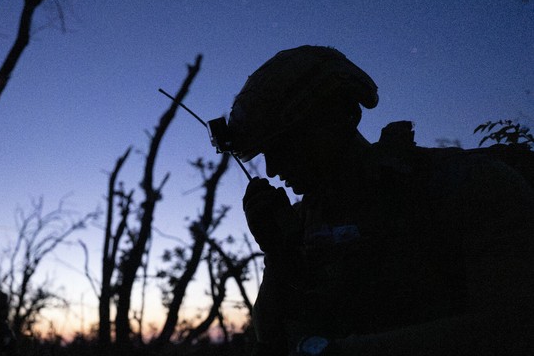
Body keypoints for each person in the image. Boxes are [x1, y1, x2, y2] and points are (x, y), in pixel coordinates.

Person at [228, 45, 534, 355]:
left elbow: (509, 326)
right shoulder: (302, 223)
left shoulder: (468, 185)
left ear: (342, 117)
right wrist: (279, 254)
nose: (272, 169)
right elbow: (272, 343)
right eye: (265, 153)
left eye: (283, 146)